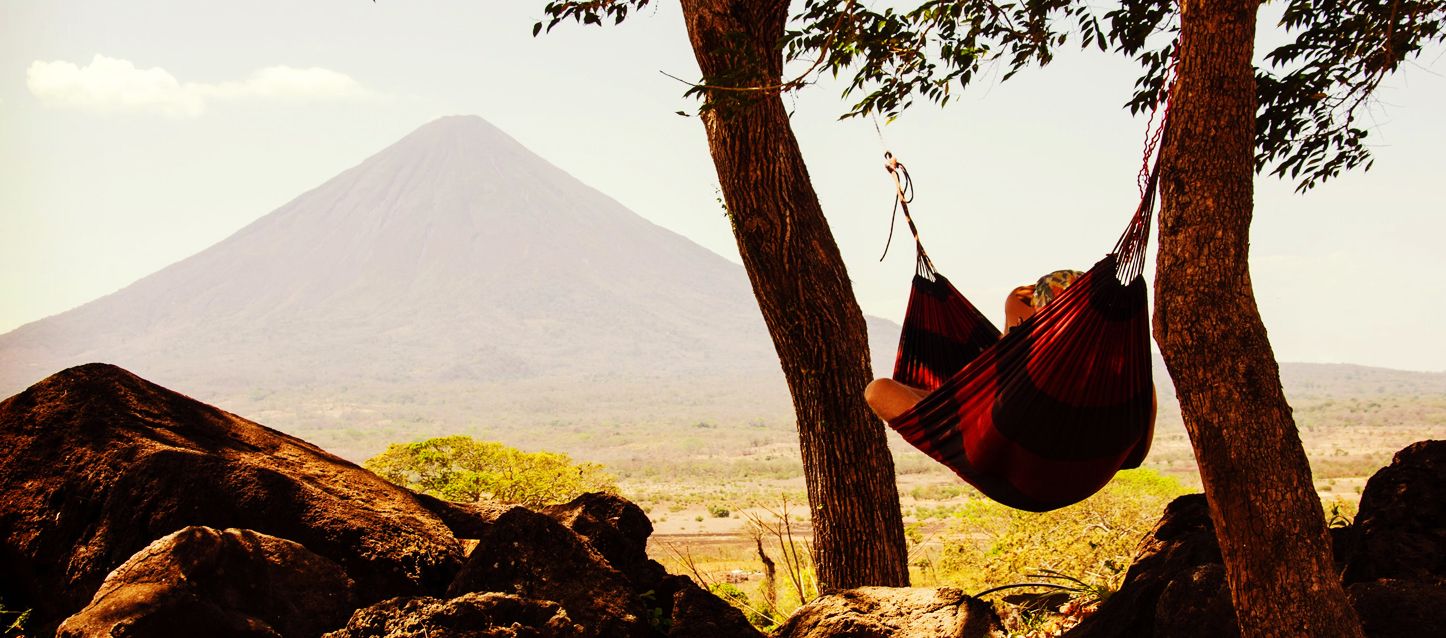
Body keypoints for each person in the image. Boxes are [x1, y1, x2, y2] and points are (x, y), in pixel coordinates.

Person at [864, 269, 1083, 422]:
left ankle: (944, 403)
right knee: (889, 390)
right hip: (981, 402)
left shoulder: (1058, 357)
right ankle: (944, 400)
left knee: (879, 391)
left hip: (995, 422)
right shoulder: (1079, 351)